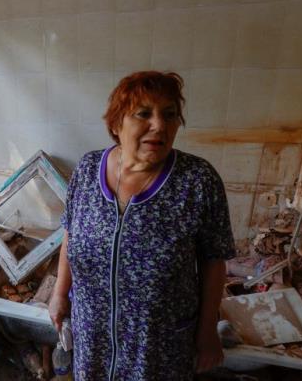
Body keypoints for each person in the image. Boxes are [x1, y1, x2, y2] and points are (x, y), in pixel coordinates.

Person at [48, 71, 236, 380]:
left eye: (170, 114)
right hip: (92, 334)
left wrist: (207, 333)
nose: (159, 125)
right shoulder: (86, 170)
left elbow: (214, 260)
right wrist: (59, 294)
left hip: (158, 342)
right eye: (144, 114)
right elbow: (70, 232)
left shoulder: (198, 180)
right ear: (116, 122)